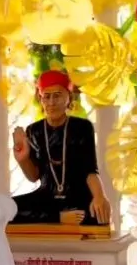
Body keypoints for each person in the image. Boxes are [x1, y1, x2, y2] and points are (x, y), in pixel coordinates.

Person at [11, 70, 111, 226]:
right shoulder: (34, 130)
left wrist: (99, 196)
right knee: (8, 209)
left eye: (57, 95)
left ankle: (54, 217)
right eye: (47, 96)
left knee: (95, 212)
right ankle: (58, 218)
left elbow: (90, 170)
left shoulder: (82, 127)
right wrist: (23, 159)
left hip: (77, 197)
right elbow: (34, 176)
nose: (51, 102)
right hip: (46, 198)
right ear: (40, 98)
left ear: (68, 98)